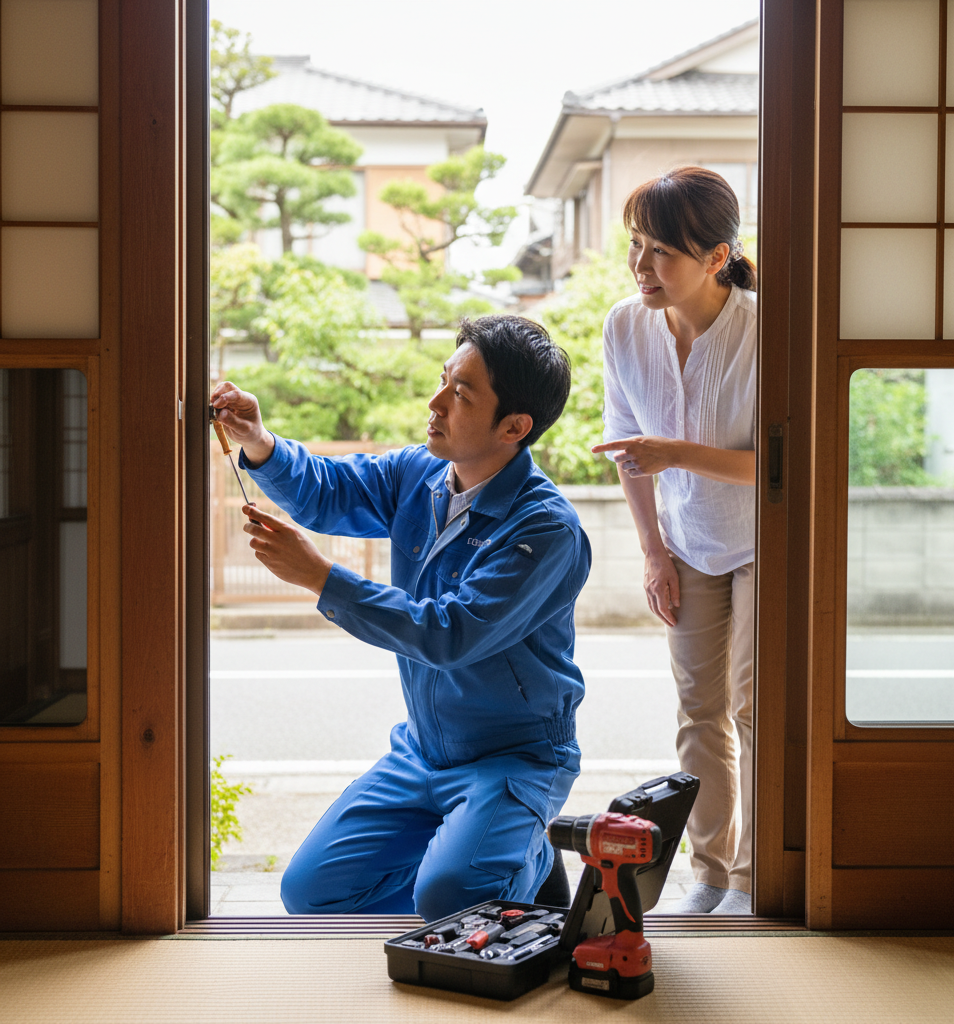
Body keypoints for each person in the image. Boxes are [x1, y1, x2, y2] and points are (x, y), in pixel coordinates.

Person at [210, 315, 591, 922]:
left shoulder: (545, 529)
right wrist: (258, 441)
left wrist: (320, 578)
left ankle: (524, 861)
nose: (436, 403)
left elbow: (448, 634)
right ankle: (478, 872)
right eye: (445, 380)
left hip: (515, 756)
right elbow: (326, 490)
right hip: (423, 750)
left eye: (461, 394)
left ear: (515, 427)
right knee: (309, 892)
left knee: (448, 895)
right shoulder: (420, 473)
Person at [591, 167, 757, 915]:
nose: (642, 265)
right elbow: (626, 450)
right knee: (699, 709)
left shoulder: (765, 326)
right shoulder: (624, 325)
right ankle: (711, 872)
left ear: (717, 257)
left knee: (754, 706)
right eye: (637, 245)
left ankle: (755, 877)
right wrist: (653, 553)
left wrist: (676, 453)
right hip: (687, 543)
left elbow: (790, 465)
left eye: (662, 250)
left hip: (762, 540)